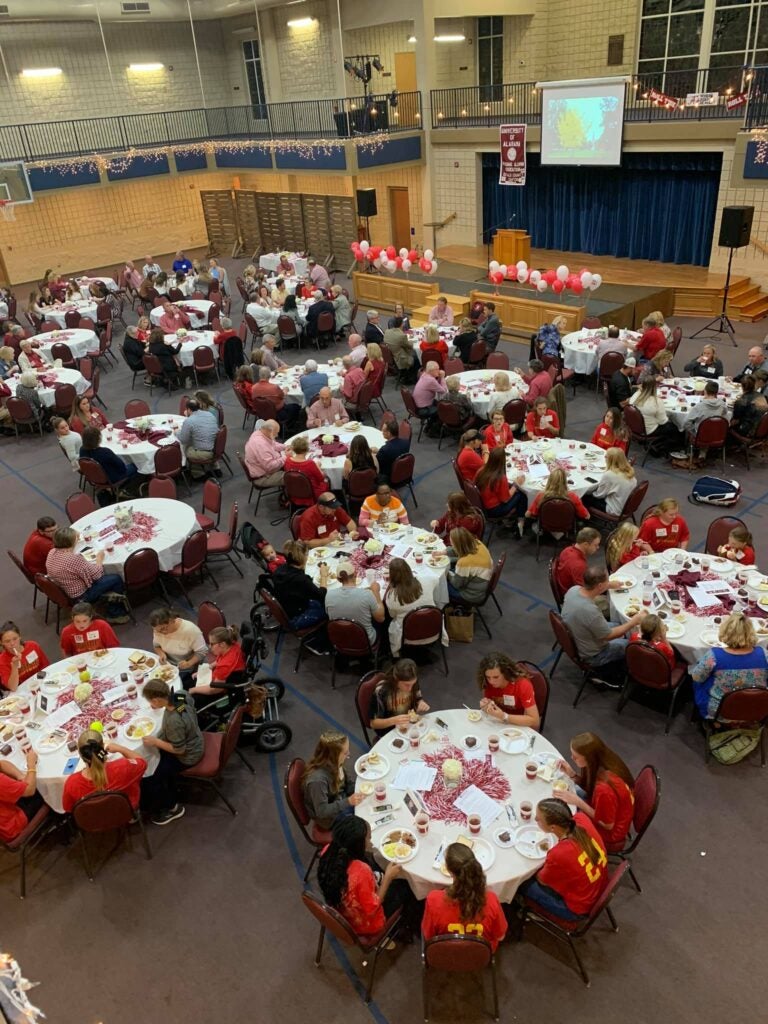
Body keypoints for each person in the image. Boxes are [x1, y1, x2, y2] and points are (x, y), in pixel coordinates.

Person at [317, 816, 413, 939]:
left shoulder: (327, 850)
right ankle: (403, 929)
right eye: (368, 838)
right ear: (357, 845)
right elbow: (373, 906)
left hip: (340, 908)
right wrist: (388, 877)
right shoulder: (361, 871)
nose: (370, 841)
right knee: (405, 885)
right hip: (365, 923)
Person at [516, 799, 608, 922]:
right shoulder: (581, 819)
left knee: (523, 882)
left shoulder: (560, 853)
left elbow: (542, 880)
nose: (536, 820)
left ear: (553, 827)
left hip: (576, 909)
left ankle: (539, 913)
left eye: (538, 819)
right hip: (598, 887)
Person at [561, 567, 643, 682]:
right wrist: (633, 621)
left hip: (579, 633)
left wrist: (608, 585)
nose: (608, 582)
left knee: (618, 624)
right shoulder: (590, 611)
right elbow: (609, 635)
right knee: (631, 645)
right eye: (606, 581)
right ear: (599, 586)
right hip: (593, 655)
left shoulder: (574, 590)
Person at [140, 680, 203, 825]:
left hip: (189, 755)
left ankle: (172, 808)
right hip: (195, 738)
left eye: (151, 702)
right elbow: (190, 706)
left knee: (152, 777)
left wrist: (156, 742)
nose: (151, 705)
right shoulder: (180, 695)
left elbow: (179, 750)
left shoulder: (173, 721)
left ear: (156, 699)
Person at [422, 842, 507, 949]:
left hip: (446, 954)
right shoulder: (491, 900)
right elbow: (500, 937)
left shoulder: (433, 900)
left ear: (449, 871)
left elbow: (428, 936)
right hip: (480, 956)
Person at [557, 733, 635, 849]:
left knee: (563, 817)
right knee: (572, 793)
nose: (572, 758)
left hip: (610, 831)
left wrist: (578, 802)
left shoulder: (604, 790)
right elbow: (591, 788)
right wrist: (572, 775)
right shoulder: (606, 763)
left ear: (589, 758)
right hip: (611, 810)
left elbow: (607, 825)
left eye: (576, 757)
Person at [691, 611, 768, 720]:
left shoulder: (714, 655)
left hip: (720, 712)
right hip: (756, 708)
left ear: (725, 631)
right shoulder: (764, 654)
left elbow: (696, 677)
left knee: (698, 680)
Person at [46, 527, 128, 623]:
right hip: (81, 596)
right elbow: (97, 575)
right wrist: (99, 559)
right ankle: (115, 613)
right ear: (71, 542)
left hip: (65, 591)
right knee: (115, 578)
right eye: (76, 538)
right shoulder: (73, 559)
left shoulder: (52, 552)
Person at [62, 729, 146, 814]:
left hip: (94, 819)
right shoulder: (122, 767)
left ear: (80, 753)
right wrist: (121, 749)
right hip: (125, 810)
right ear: (102, 748)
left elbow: (68, 808)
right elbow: (142, 763)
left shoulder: (71, 783)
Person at [303, 731, 363, 829]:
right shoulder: (317, 781)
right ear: (333, 756)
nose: (349, 754)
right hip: (330, 818)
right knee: (364, 820)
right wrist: (348, 801)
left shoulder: (335, 763)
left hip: (340, 798)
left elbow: (347, 784)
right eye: (345, 753)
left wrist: (361, 787)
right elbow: (322, 811)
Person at [271, 540, 329, 632]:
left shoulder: (280, 569)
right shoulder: (301, 580)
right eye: (306, 554)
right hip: (297, 617)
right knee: (330, 608)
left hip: (287, 608)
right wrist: (324, 575)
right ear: (302, 557)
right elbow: (322, 595)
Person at [325, 559, 385, 644]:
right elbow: (381, 618)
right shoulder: (366, 595)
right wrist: (376, 592)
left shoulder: (329, 595)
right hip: (365, 641)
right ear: (356, 574)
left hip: (340, 640)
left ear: (338, 579)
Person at [188, 625, 246, 711]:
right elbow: (219, 660)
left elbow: (214, 690)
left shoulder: (224, 666)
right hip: (223, 678)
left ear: (222, 644)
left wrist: (193, 690)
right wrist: (208, 668)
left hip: (221, 688)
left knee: (192, 696)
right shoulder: (233, 645)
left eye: (212, 644)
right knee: (190, 681)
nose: (209, 647)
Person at [477, 651, 540, 729]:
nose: (491, 682)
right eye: (488, 677)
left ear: (505, 673)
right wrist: (486, 706)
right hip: (497, 722)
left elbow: (535, 721)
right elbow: (492, 706)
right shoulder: (487, 683)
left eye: (496, 677)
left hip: (518, 725)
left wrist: (504, 716)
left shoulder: (523, 685)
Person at [149, 607, 208, 689]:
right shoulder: (158, 629)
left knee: (163, 689)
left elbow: (203, 651)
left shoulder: (190, 630)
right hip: (167, 664)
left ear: (172, 620)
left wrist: (189, 663)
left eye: (164, 628)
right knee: (149, 681)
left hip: (184, 667)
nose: (162, 633)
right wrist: (161, 654)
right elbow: (157, 646)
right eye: (158, 631)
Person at [369, 658, 430, 735]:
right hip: (389, 731)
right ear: (396, 679)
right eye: (406, 685)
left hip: (409, 726)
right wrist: (394, 720)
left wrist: (420, 702)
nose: (410, 689)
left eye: (413, 684)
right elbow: (373, 723)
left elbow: (418, 698)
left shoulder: (412, 682)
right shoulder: (381, 691)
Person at [476, 447, 528, 532]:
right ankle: (520, 522)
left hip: (482, 505)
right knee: (521, 494)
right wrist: (516, 484)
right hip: (494, 510)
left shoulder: (481, 470)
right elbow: (506, 500)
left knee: (513, 490)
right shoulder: (500, 477)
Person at [79, 426, 138, 500]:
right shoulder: (105, 452)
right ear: (99, 438)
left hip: (95, 478)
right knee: (136, 466)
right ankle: (125, 489)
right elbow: (121, 466)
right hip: (112, 478)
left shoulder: (82, 450)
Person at [629, 377, 683, 456]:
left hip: (636, 428)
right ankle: (675, 449)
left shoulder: (635, 396)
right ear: (655, 388)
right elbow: (663, 421)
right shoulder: (656, 401)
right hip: (650, 430)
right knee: (674, 427)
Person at [0, 744, 43, 843]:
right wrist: (31, 764)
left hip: (7, 811)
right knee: (43, 790)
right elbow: (30, 791)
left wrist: (20, 776)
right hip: (12, 825)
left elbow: (1, 764)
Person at [584, 447, 636, 516]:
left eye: (606, 456)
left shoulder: (610, 475)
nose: (604, 457)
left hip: (614, 509)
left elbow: (599, 495)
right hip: (625, 506)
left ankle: (582, 518)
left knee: (584, 497)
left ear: (611, 460)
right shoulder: (630, 471)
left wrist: (588, 491)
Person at [447, 527, 493, 604]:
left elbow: (456, 584)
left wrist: (446, 573)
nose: (452, 546)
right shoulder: (477, 543)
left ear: (458, 545)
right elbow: (459, 549)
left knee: (440, 585)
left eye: (452, 544)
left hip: (471, 595)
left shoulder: (464, 562)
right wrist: (444, 552)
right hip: (480, 585)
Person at [0, 622, 50, 691]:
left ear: (20, 636)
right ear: (1, 642)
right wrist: (14, 666)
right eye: (7, 641)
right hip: (22, 692)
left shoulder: (33, 646)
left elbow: (46, 667)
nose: (12, 643)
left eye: (15, 639)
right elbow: (13, 687)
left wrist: (40, 685)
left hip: (42, 682)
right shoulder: (2, 660)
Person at [555, 527, 604, 594]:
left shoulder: (567, 550)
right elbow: (585, 591)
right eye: (596, 545)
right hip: (573, 596)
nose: (598, 548)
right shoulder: (579, 565)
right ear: (586, 545)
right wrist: (607, 586)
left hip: (567, 589)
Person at [284, 435, 327, 503]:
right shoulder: (310, 464)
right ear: (307, 449)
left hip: (294, 491)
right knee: (327, 479)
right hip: (312, 493)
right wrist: (318, 467)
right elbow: (321, 478)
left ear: (293, 449)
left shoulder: (287, 460)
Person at [244, 418, 285, 487]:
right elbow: (270, 466)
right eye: (276, 433)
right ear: (270, 431)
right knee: (293, 476)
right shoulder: (261, 445)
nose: (277, 435)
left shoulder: (259, 433)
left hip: (262, 469)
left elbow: (273, 444)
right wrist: (285, 457)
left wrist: (286, 446)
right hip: (263, 477)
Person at [383, 316, 417, 381]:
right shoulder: (401, 335)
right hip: (400, 358)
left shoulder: (387, 331)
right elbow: (409, 346)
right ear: (402, 324)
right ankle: (411, 378)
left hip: (391, 357)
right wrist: (412, 341)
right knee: (416, 357)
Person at [375, 418, 409, 484]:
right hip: (404, 474)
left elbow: (377, 465)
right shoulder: (406, 443)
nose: (382, 432)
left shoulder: (385, 450)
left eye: (383, 430)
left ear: (389, 433)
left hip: (388, 478)